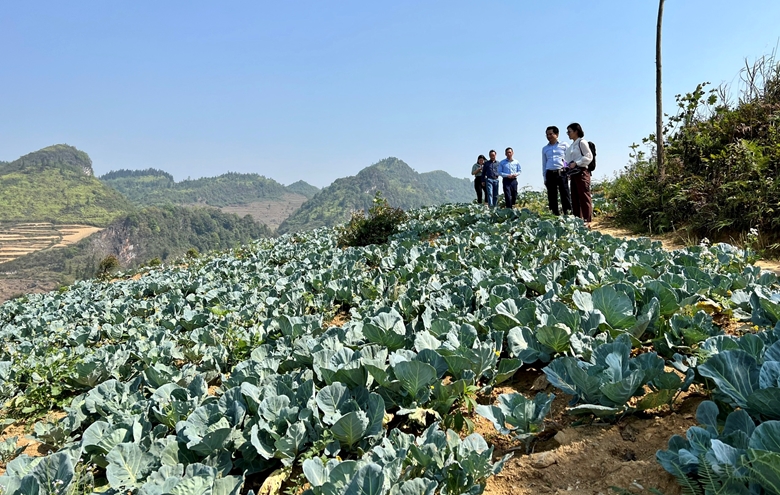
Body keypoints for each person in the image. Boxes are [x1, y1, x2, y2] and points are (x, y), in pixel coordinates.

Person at [564, 122, 594, 224]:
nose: (568, 133)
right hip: (573, 174)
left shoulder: (582, 142)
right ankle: (578, 221)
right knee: (575, 198)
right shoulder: (571, 146)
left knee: (584, 196)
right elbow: (567, 160)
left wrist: (577, 163)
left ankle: (587, 220)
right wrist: (566, 168)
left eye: (569, 131)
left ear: (576, 131)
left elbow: (589, 156)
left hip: (582, 172)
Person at [542, 126, 571, 216]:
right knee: (552, 196)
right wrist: (544, 177)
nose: (549, 136)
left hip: (562, 172)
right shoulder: (545, 148)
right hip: (550, 173)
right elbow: (544, 163)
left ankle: (568, 214)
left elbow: (568, 159)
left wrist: (568, 171)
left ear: (557, 134)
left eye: (551, 134)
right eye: (547, 134)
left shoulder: (564, 145)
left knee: (565, 194)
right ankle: (554, 215)